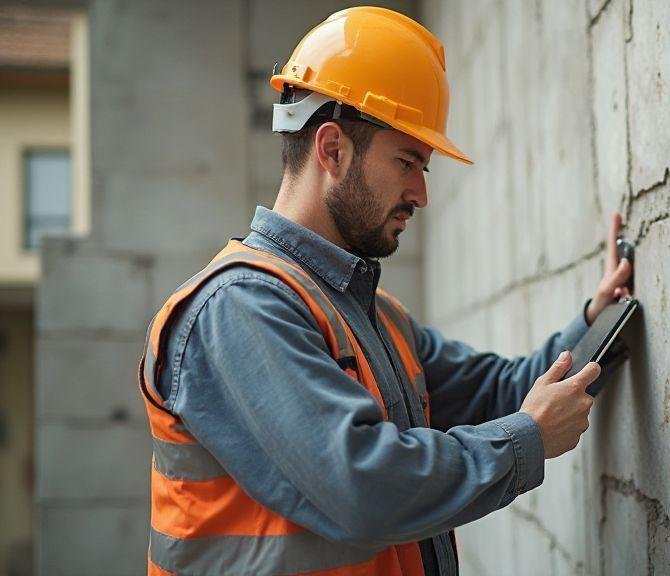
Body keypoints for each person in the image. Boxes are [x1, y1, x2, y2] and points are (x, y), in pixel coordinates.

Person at [138, 6, 633, 576]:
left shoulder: (373, 315)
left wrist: (596, 317)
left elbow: (506, 392)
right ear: (332, 150)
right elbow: (361, 487)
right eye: (407, 162)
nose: (421, 194)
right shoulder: (239, 308)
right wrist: (525, 442)